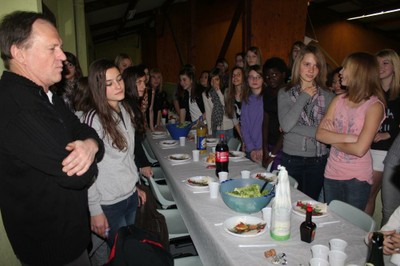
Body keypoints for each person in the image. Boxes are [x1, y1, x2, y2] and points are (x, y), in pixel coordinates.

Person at [0, 11, 104, 266]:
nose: (63, 57)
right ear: (19, 53)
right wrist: (90, 160)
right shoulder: (17, 107)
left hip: (71, 240)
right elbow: (78, 176)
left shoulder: (44, 94)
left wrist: (90, 146)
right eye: (52, 48)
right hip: (53, 251)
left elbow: (84, 131)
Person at [83, 59, 146, 248]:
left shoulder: (126, 109)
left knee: (129, 251)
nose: (118, 86)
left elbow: (128, 157)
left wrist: (135, 186)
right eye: (109, 84)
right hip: (109, 203)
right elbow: (87, 170)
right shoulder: (93, 119)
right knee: (122, 252)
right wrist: (95, 210)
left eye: (119, 79)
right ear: (99, 88)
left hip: (129, 196)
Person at [316, 52, 386, 210]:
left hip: (357, 178)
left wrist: (333, 139)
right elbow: (320, 134)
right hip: (332, 172)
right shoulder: (338, 100)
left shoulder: (374, 106)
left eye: (345, 68)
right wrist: (353, 137)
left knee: (350, 229)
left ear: (359, 72)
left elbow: (360, 149)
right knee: (332, 220)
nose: (340, 72)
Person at [278, 44, 334, 200]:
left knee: (309, 207)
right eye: (307, 64)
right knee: (287, 203)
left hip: (318, 159)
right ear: (298, 65)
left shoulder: (328, 96)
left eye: (316, 66)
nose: (311, 70)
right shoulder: (285, 92)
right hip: (291, 158)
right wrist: (304, 96)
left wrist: (292, 127)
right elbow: (286, 125)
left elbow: (328, 132)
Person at [365, 49, 400, 216]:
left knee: (369, 193)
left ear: (395, 67)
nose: (380, 67)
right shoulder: (371, 92)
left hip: (386, 150)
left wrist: (390, 134)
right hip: (364, 147)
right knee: (362, 192)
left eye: (385, 63)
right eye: (377, 63)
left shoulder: (398, 94)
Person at [122, 66, 154, 178]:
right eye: (139, 82)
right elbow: (133, 139)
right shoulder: (127, 105)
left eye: (144, 82)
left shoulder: (132, 102)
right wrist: (144, 163)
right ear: (130, 83)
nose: (144, 86)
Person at [262, 57, 288, 171]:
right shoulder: (267, 92)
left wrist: (273, 154)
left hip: (283, 145)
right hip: (270, 142)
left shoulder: (288, 94)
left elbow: (287, 127)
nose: (270, 79)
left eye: (274, 75)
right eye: (267, 76)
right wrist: (265, 148)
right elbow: (265, 121)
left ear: (283, 74)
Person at [202, 68, 239, 141]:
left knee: (229, 151)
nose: (213, 82)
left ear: (221, 80)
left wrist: (218, 91)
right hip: (217, 128)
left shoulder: (227, 91)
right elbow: (208, 113)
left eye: (216, 79)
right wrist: (210, 132)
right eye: (211, 80)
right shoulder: (206, 94)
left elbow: (226, 106)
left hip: (229, 127)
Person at [241, 65, 264, 163]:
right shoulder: (246, 100)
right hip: (250, 149)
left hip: (264, 149)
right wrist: (251, 149)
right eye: (251, 77)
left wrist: (263, 148)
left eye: (258, 77)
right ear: (247, 80)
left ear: (263, 79)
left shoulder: (267, 98)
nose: (254, 79)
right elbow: (244, 126)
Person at [225, 66, 244, 139]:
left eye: (238, 74)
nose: (235, 77)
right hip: (237, 130)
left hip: (251, 130)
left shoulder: (249, 93)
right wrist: (242, 137)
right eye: (233, 75)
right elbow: (234, 118)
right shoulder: (228, 93)